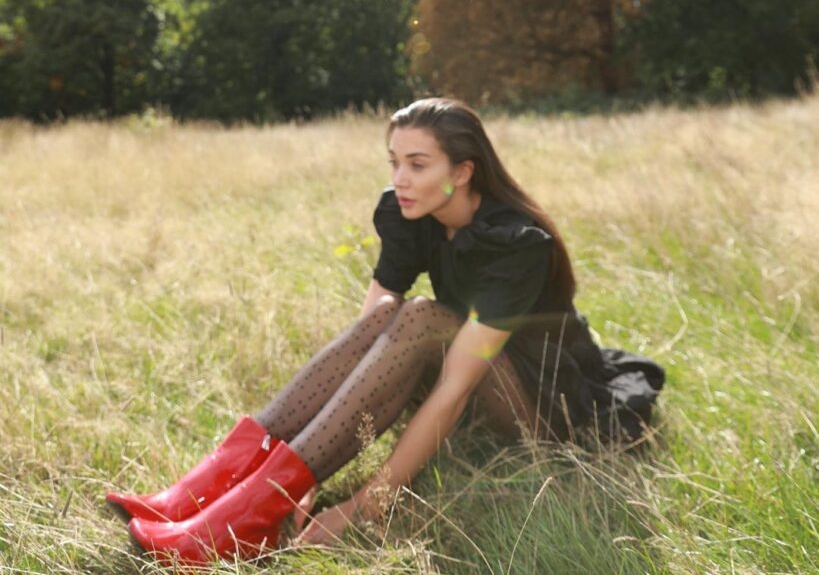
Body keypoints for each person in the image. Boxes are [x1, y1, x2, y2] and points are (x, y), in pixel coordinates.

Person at [107, 97, 664, 564]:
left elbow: (455, 388)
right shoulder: (410, 213)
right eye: (394, 161)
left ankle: (246, 516)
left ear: (463, 171)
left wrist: (366, 503)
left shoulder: (513, 243)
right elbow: (373, 326)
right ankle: (209, 494)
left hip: (546, 405)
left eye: (418, 165)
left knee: (421, 315)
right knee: (393, 317)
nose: (400, 179)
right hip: (476, 373)